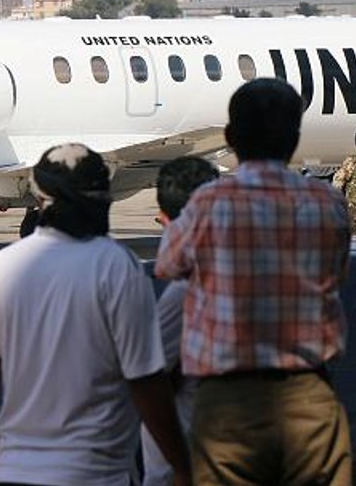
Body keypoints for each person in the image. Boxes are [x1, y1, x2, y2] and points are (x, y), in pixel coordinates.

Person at [156, 79, 352, 485]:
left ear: (230, 137)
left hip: (227, 404)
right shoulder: (327, 202)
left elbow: (168, 265)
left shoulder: (207, 203)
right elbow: (337, 272)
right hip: (308, 396)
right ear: (295, 137)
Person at [0, 143, 190, 486]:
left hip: (15, 471)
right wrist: (182, 465)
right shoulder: (116, 265)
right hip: (94, 473)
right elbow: (145, 379)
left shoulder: (2, 266)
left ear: (40, 199)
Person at [142, 156, 220, 486]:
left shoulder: (185, 291)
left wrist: (179, 467)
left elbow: (151, 384)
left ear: (167, 218)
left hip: (182, 468)